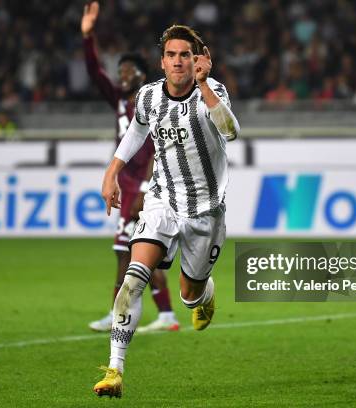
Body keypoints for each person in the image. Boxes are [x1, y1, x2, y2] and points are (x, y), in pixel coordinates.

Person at [93, 24, 240, 398]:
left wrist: (205, 86)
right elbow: (136, 133)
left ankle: (203, 295)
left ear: (196, 61)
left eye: (185, 56)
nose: (178, 62)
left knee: (189, 292)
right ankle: (115, 370)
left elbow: (231, 131)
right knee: (133, 276)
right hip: (162, 200)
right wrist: (113, 172)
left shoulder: (212, 92)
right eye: (171, 55)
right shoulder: (148, 97)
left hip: (205, 211)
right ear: (162, 62)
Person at [81, 1, 179, 333]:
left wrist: (147, 187)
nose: (122, 76)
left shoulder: (152, 100)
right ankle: (165, 314)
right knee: (137, 252)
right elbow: (95, 74)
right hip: (127, 181)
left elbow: (158, 146)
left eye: (128, 72)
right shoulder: (121, 101)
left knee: (126, 253)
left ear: (141, 74)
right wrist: (87, 37)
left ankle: (118, 314)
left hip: (143, 184)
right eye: (120, 71)